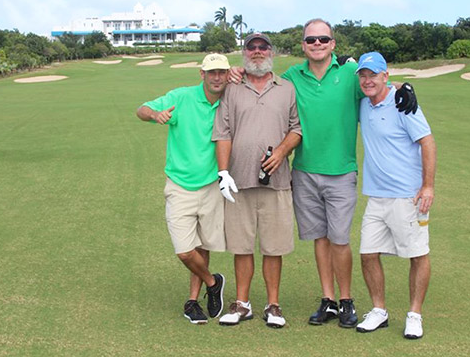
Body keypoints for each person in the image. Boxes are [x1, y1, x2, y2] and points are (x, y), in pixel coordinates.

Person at [227, 19, 417, 328]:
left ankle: (346, 301)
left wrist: (402, 87)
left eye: (323, 39)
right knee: (318, 238)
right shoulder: (292, 77)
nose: (317, 44)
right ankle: (327, 300)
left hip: (340, 170)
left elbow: (375, 84)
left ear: (333, 44)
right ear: (303, 45)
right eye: (311, 40)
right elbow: (261, 76)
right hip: (303, 171)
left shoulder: (348, 74)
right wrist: (237, 72)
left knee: (339, 239)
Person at [212, 33, 302, 328]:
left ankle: (273, 305)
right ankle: (242, 304)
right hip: (239, 181)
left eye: (263, 47)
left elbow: (296, 129)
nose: (258, 52)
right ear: (244, 52)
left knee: (274, 247)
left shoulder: (286, 88)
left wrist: (281, 151)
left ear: (271, 52)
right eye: (252, 47)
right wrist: (224, 173)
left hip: (276, 182)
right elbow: (223, 133)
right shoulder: (232, 88)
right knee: (242, 246)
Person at [136, 53, 230, 324]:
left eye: (221, 72)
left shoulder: (231, 101)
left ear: (226, 75)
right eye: (211, 72)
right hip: (180, 185)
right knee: (185, 250)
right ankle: (213, 283)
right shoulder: (181, 97)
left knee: (202, 246)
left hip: (213, 185)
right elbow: (142, 109)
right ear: (202, 74)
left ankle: (192, 301)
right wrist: (155, 114)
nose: (216, 77)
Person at [353, 51, 436, 339]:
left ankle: (415, 314)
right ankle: (379, 310)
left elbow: (427, 142)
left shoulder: (403, 103)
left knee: (417, 254)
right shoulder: (364, 104)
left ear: (385, 76)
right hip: (376, 196)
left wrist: (428, 186)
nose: (367, 80)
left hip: (408, 196)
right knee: (367, 254)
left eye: (373, 75)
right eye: (363, 75)